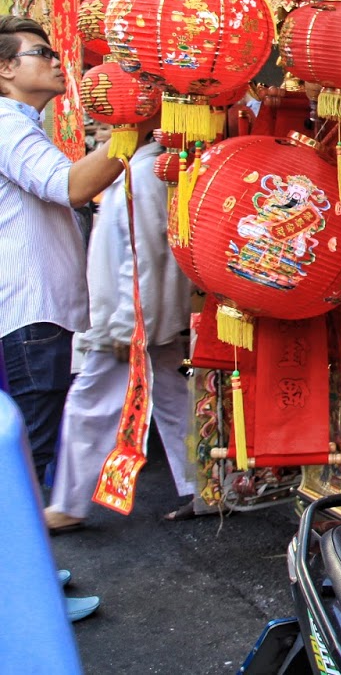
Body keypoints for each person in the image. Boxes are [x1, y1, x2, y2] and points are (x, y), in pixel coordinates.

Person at [45, 122, 195, 532]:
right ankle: (204, 488)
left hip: (128, 321)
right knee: (172, 400)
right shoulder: (136, 169)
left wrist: (127, 325)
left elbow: (142, 257)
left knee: (89, 407)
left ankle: (68, 505)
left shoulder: (142, 173)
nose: (98, 126)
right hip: (140, 318)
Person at [0, 16, 129, 488]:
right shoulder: (8, 128)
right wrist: (133, 128)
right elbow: (71, 185)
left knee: (29, 450)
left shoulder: (18, 127)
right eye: (42, 54)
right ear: (5, 69)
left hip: (30, 313)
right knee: (29, 454)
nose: (56, 62)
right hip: (27, 314)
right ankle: (19, 560)